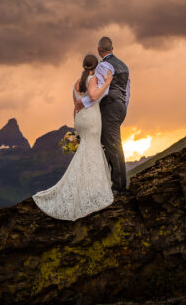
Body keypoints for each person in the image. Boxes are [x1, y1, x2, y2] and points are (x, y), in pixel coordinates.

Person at [32, 54, 114, 220]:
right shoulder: (92, 80)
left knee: (87, 151)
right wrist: (107, 82)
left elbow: (74, 106)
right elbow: (93, 96)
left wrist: (76, 125)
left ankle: (85, 188)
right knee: (92, 150)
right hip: (91, 119)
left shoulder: (76, 83)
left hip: (80, 119)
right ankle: (92, 193)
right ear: (95, 67)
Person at [75, 36, 130, 194]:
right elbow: (127, 91)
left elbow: (101, 91)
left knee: (112, 144)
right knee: (109, 143)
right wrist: (122, 107)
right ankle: (110, 181)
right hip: (120, 107)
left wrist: (83, 102)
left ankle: (119, 187)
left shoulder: (103, 66)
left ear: (99, 50)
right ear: (113, 48)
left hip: (110, 107)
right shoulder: (124, 66)